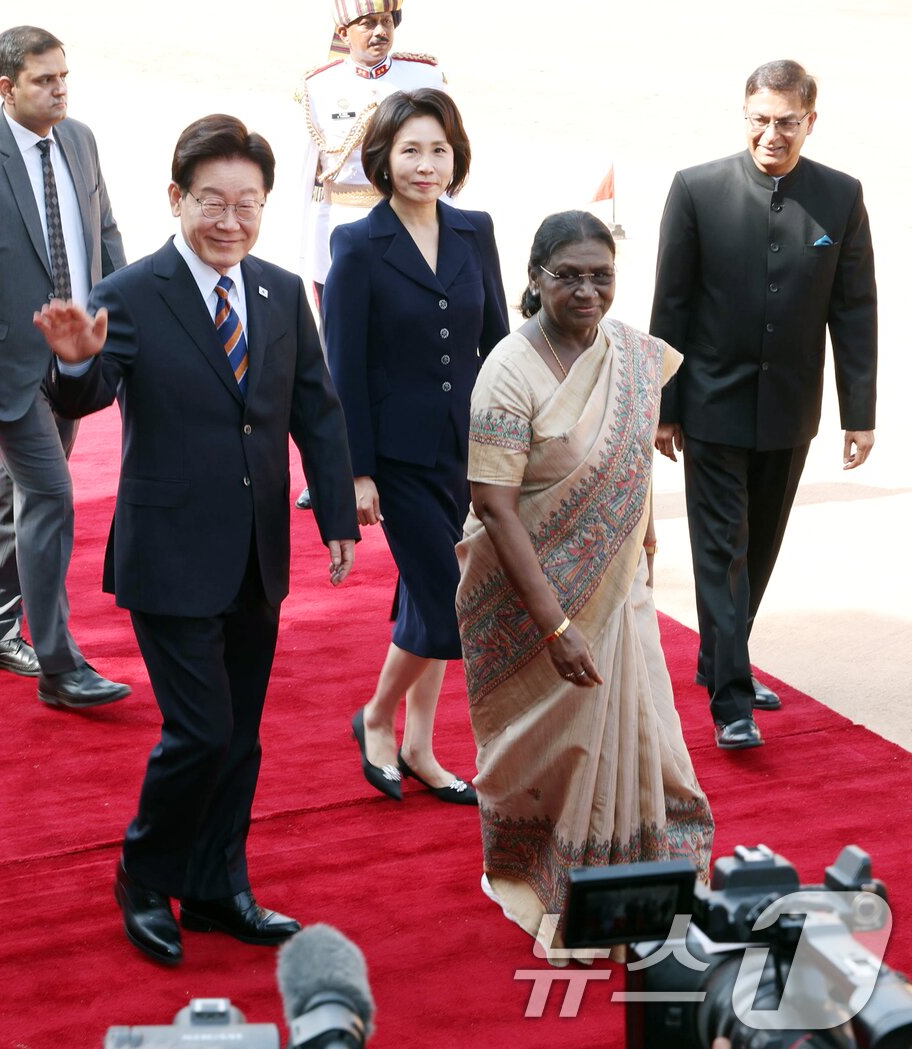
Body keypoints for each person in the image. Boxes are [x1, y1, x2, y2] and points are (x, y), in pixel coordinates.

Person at [35, 115, 360, 966]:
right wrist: (72, 363)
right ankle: (144, 874)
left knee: (242, 735)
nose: (229, 220)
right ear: (176, 198)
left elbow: (314, 409)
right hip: (170, 552)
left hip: (257, 552)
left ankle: (218, 884)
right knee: (202, 730)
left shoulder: (283, 291)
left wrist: (333, 513)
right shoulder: (133, 292)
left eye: (246, 203)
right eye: (211, 200)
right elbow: (89, 391)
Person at [456, 211, 713, 951]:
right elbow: (493, 505)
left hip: (619, 586)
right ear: (535, 279)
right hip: (530, 593)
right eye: (568, 274)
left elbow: (632, 459)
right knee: (551, 750)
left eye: (600, 275)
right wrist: (555, 626)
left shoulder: (633, 356)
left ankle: (641, 878)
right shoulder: (507, 368)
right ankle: (549, 875)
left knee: (645, 727)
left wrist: (646, 534)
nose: (586, 289)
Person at [650, 59, 877, 750]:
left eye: (786, 122)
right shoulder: (696, 189)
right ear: (743, 115)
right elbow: (673, 303)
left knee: (760, 550)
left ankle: (723, 656)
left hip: (790, 408)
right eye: (759, 120)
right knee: (721, 550)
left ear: (811, 119)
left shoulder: (839, 196)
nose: (771, 135)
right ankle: (732, 702)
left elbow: (855, 305)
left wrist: (857, 411)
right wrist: (665, 404)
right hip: (712, 406)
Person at [0, 25, 130, 708]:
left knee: (21, 493)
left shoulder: (80, 140)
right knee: (50, 494)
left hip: (73, 361)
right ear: (7, 88)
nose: (60, 90)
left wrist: (129, 324)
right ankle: (60, 663)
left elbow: (105, 236)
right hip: (6, 366)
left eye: (65, 77)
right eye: (45, 81)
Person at [321, 88, 507, 806]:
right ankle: (373, 716)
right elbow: (346, 367)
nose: (426, 164)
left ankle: (420, 744)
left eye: (438, 149)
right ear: (383, 159)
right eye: (410, 150)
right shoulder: (358, 245)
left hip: (470, 453)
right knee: (447, 599)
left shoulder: (474, 231)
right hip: (396, 458)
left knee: (426, 602)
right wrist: (356, 473)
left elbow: (496, 339)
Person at [293, 0, 444, 510]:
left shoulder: (423, 75)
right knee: (338, 358)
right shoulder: (319, 85)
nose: (380, 32)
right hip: (342, 230)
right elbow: (304, 180)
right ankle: (333, 465)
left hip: (409, 227)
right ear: (344, 29)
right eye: (368, 23)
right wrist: (304, 253)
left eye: (387, 22)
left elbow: (446, 159)